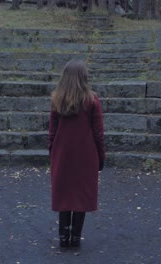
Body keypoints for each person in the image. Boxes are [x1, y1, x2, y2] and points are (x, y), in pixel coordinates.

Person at [48, 59, 105, 249]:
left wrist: (52, 155)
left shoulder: (57, 98)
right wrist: (101, 157)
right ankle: (75, 237)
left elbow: (52, 131)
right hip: (86, 155)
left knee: (64, 194)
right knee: (81, 195)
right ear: (83, 77)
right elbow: (98, 132)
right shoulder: (92, 100)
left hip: (62, 154)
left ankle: (64, 237)